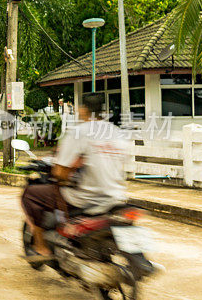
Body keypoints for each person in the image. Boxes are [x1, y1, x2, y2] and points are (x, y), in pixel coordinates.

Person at [21, 92, 129, 259]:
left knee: (30, 194)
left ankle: (41, 247)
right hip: (116, 196)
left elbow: (60, 172)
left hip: (84, 197)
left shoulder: (79, 132)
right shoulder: (117, 133)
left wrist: (62, 176)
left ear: (83, 109)